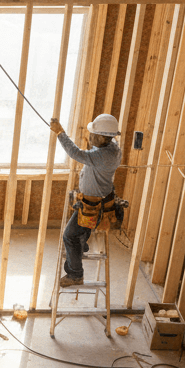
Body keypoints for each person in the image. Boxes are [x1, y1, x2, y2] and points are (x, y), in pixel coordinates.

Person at [52, 114, 122, 287]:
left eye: (93, 135)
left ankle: (75, 274)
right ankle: (80, 245)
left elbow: (75, 153)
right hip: (100, 201)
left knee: (69, 236)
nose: (90, 138)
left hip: (93, 206)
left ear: (101, 137)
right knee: (81, 231)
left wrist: (60, 132)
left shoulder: (101, 156)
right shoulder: (113, 148)